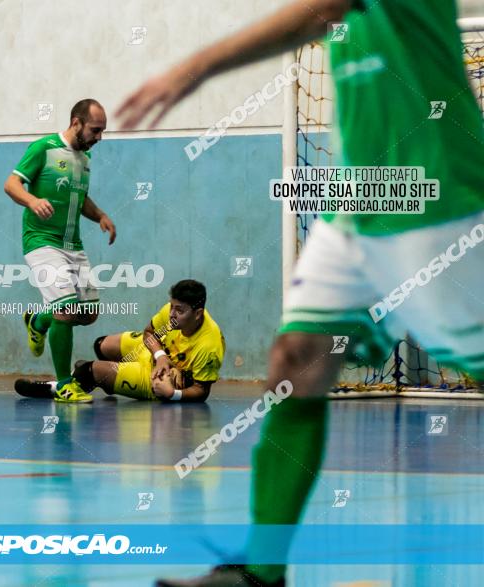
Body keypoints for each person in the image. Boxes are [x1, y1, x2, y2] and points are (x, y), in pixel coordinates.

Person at [116, 0, 484, 585]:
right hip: (362, 201)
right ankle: (262, 571)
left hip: (439, 200)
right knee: (296, 361)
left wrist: (196, 67)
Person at [4, 99, 117, 403]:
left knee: (88, 313)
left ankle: (37, 321)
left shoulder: (85, 159)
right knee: (66, 311)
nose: (99, 137)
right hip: (41, 241)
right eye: (95, 129)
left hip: (72, 245)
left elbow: (80, 199)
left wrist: (101, 216)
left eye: (103, 131)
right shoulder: (44, 148)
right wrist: (31, 200)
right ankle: (65, 385)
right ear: (76, 122)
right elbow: (11, 184)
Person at [16, 280, 224, 402]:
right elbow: (149, 332)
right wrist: (159, 355)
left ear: (198, 314)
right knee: (102, 345)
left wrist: (173, 394)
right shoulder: (171, 313)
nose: (172, 314)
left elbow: (202, 390)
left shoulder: (209, 344)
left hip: (156, 376)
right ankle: (114, 375)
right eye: (172, 307)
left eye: (179, 310)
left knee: (88, 371)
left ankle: (53, 387)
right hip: (154, 354)